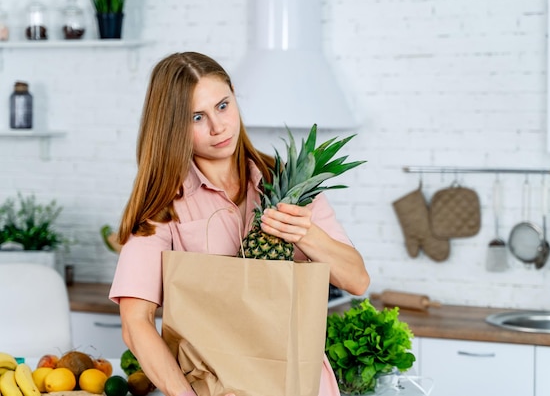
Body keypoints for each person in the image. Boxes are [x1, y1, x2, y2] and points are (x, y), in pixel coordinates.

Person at [109, 51, 370, 396]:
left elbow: (357, 280)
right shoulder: (162, 206)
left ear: (234, 95)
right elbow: (135, 323)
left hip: (303, 384)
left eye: (222, 105)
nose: (219, 127)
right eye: (196, 117)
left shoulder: (287, 185)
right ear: (172, 125)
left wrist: (306, 234)